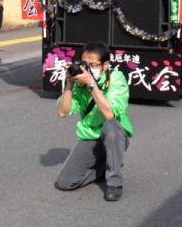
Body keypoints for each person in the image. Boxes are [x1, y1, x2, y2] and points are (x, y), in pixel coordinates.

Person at [55, 41, 133, 202]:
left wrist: (91, 84)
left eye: (93, 64)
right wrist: (69, 84)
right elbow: (63, 112)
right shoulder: (79, 83)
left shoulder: (116, 78)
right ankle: (109, 165)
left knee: (111, 127)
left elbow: (109, 114)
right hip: (90, 136)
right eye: (85, 64)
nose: (88, 68)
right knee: (65, 182)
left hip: (115, 135)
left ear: (105, 65)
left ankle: (115, 182)